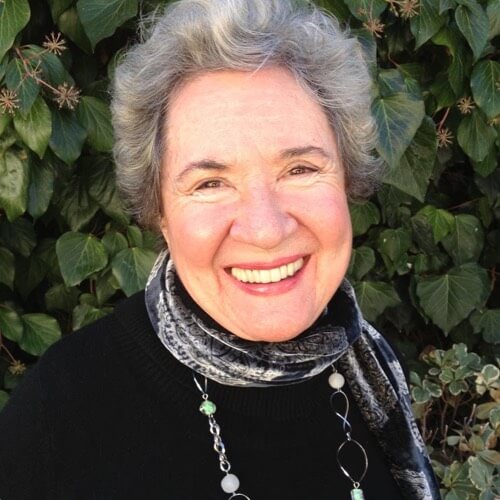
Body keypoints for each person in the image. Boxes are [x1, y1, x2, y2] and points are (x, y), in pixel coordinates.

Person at [0, 0, 440, 498]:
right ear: (160, 213)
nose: (265, 230)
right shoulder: (57, 419)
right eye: (210, 183)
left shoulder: (370, 367)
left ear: (347, 180)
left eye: (300, 169)